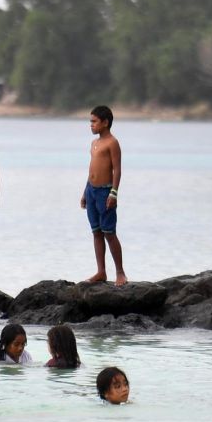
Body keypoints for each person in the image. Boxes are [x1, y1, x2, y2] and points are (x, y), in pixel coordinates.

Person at [80, 105, 128, 286]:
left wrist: (114, 193)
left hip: (105, 191)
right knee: (96, 232)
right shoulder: (94, 143)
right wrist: (85, 192)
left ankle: (120, 273)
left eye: (94, 122)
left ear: (105, 123)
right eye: (90, 121)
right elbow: (91, 169)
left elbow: (117, 170)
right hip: (91, 190)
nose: (91, 125)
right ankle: (101, 271)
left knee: (109, 232)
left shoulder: (112, 143)